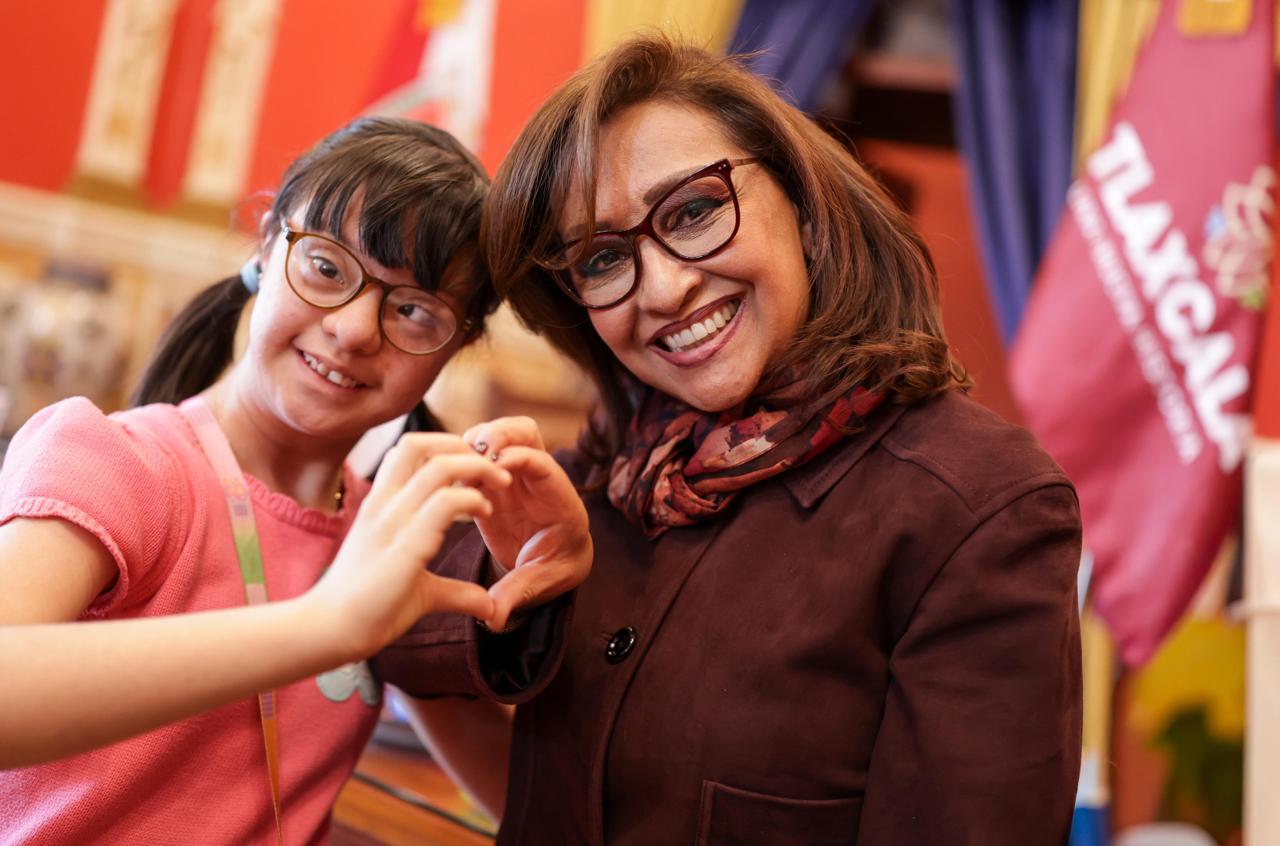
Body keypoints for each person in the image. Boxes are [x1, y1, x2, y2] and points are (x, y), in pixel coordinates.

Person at [375, 36, 1084, 845]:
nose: (665, 287)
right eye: (602, 259)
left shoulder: (976, 505)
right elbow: (397, 638)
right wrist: (508, 571)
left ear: (803, 205)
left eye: (694, 211)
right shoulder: (610, 463)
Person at [0, 117, 589, 844]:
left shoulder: (390, 536)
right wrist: (328, 625)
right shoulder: (117, 462)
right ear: (266, 244)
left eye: (413, 310)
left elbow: (526, 803)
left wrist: (537, 578)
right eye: (327, 268)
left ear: (456, 346)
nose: (354, 329)